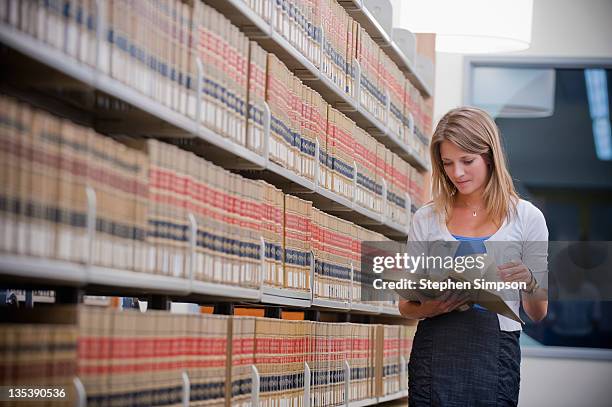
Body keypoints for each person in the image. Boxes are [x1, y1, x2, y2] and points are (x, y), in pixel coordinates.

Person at [398, 107, 548, 406]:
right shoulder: (427, 219)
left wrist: (529, 280)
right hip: (434, 349)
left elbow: (537, 312)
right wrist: (432, 306)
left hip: (495, 352)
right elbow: (405, 306)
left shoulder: (527, 218)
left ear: (489, 156)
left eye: (467, 161)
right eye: (447, 163)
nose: (457, 173)